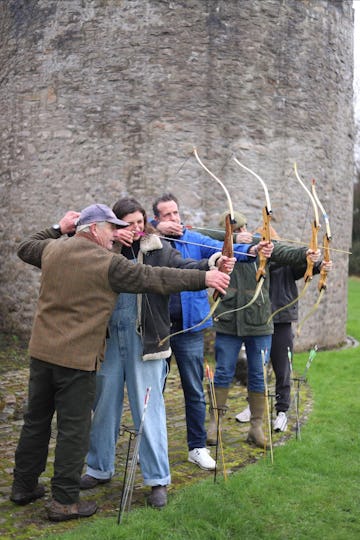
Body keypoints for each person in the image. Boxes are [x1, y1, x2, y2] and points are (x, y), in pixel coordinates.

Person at [10, 203, 231, 522]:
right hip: (89, 353)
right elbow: (151, 278)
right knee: (82, 424)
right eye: (115, 226)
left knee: (43, 420)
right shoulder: (105, 260)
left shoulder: (56, 249)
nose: (123, 231)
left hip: (62, 351)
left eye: (130, 225)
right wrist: (206, 279)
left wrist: (60, 228)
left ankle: (26, 486)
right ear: (97, 228)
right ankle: (76, 490)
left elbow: (165, 272)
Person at [80, 197, 235, 508]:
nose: (136, 228)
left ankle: (157, 480)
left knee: (149, 412)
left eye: (140, 222)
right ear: (116, 225)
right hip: (109, 341)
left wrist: (214, 262)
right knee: (104, 407)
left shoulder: (158, 249)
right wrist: (110, 246)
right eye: (129, 223)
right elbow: (80, 260)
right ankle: (99, 467)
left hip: (147, 342)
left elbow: (182, 268)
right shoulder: (100, 250)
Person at [151, 193, 269, 470]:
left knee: (194, 389)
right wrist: (154, 228)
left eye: (176, 213)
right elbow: (126, 225)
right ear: (156, 218)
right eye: (167, 215)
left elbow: (223, 248)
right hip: (157, 328)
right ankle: (152, 446)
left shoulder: (193, 238)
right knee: (153, 390)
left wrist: (252, 251)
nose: (174, 219)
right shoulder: (149, 239)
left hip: (190, 327)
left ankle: (197, 447)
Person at [205, 211, 322, 448]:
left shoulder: (261, 246)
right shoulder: (217, 250)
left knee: (258, 374)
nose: (241, 234)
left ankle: (256, 428)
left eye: (242, 229)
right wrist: (229, 240)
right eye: (234, 231)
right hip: (229, 322)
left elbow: (285, 252)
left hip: (259, 322)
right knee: (224, 371)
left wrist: (308, 254)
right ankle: (215, 423)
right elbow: (198, 234)